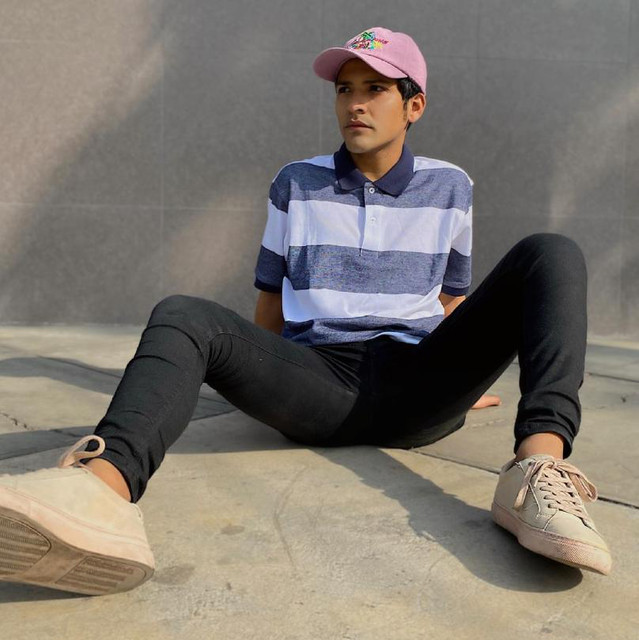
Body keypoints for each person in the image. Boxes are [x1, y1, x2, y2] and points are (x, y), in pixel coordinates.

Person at [0, 27, 611, 597]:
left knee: (551, 253)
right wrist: (257, 377)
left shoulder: (452, 185)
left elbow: (450, 298)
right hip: (321, 385)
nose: (355, 104)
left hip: (421, 383)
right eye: (345, 89)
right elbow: (270, 300)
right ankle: (100, 493)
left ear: (414, 106)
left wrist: (461, 383)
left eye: (375, 89)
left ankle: (538, 470)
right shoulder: (296, 183)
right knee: (183, 312)